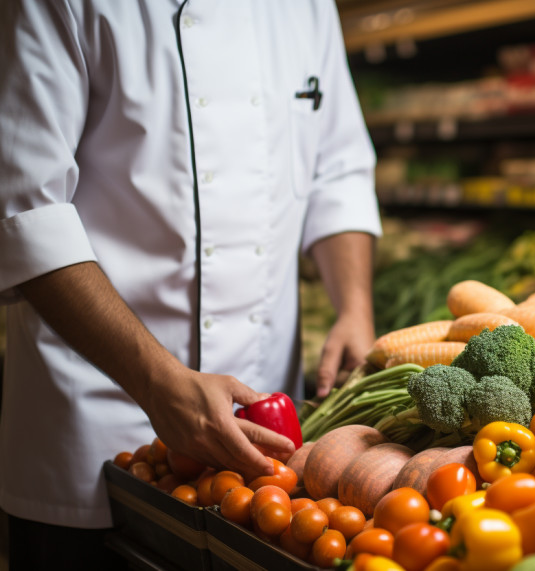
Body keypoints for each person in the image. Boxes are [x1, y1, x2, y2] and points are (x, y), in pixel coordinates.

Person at [0, 1, 381, 567]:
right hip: (101, 414)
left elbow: (339, 168)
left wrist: (354, 307)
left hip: (265, 447)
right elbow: (26, 209)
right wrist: (157, 384)